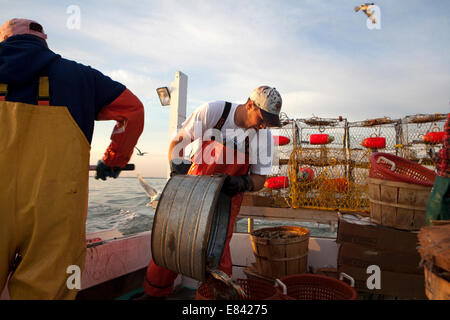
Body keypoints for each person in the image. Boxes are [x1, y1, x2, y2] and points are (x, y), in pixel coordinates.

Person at [0, 18, 144, 299]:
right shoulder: (81, 76)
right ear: (44, 41)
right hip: (56, 208)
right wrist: (113, 161)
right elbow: (133, 110)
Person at [141, 85, 282, 298]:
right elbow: (179, 142)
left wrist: (242, 182)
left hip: (225, 202)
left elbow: (260, 179)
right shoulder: (216, 112)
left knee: (218, 256)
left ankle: (216, 298)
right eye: (262, 118)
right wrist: (178, 170)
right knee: (171, 243)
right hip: (193, 193)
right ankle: (153, 294)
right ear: (250, 104)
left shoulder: (263, 137)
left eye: (269, 122)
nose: (264, 126)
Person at [426, 112, 450, 224]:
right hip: (444, 174)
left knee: (437, 214)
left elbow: (447, 152)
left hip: (446, 177)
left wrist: (438, 156)